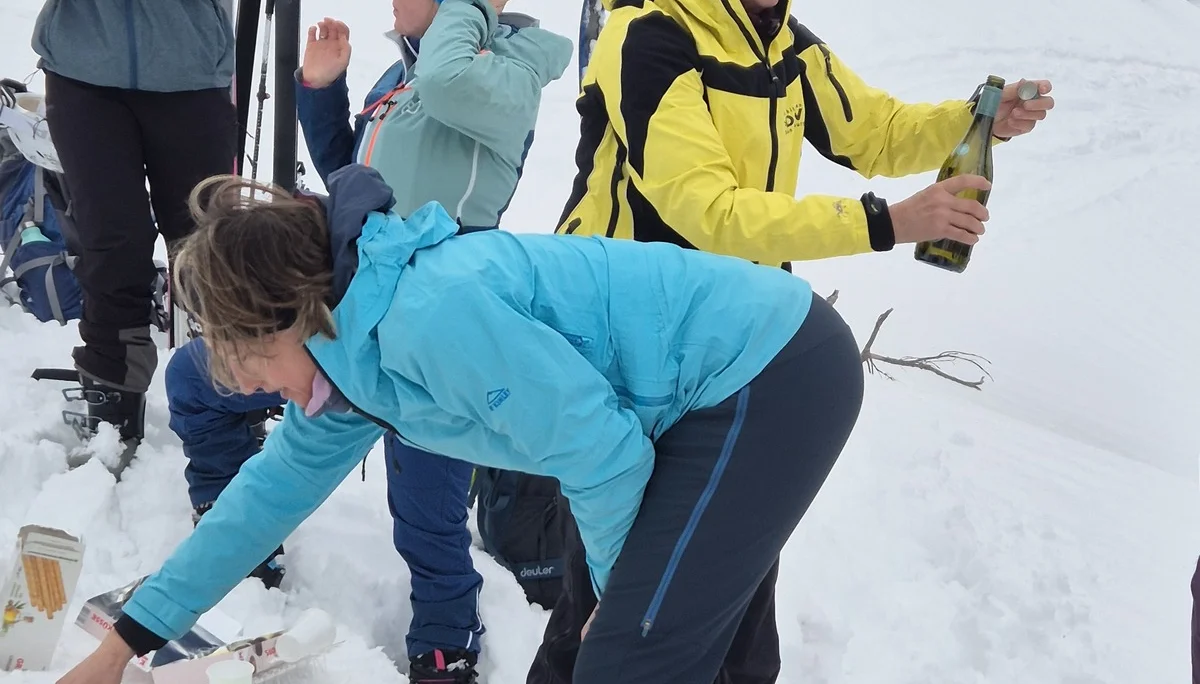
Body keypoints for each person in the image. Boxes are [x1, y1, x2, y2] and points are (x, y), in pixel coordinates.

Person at [55, 163, 865, 684]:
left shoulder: (423, 316)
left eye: (251, 359)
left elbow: (606, 460)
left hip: (766, 372)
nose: (253, 383)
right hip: (667, 412)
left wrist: (622, 608)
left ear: (291, 318)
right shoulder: (351, 361)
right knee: (609, 648)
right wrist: (123, 642)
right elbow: (253, 508)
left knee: (628, 655)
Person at [535, 0, 1056, 681]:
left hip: (734, 351)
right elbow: (705, 208)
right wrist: (884, 222)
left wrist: (979, 119)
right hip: (631, 351)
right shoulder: (649, 35)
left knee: (735, 594)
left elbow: (877, 132)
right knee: (610, 604)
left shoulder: (781, 42)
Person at [163, 1, 572, 681]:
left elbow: (447, 84)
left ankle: (446, 647)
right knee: (194, 381)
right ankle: (231, 525)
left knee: (425, 514)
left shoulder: (502, 75)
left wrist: (473, 13)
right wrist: (322, 93)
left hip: (436, 334)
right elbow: (352, 182)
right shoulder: (402, 77)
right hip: (347, 313)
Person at [29, 0, 238, 463]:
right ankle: (112, 396)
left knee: (207, 246)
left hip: (191, 68)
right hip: (82, 67)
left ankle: (235, 392)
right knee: (111, 238)